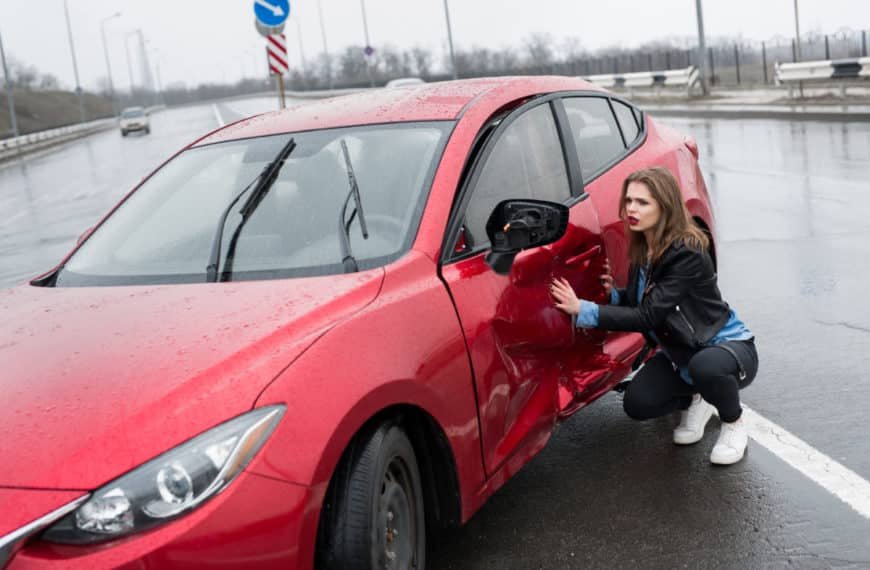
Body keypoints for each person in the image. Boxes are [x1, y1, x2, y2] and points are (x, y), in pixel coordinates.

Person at [550, 166, 758, 465]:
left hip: (725, 348)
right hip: (682, 354)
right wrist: (614, 295)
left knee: (707, 367)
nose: (632, 208)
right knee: (638, 403)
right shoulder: (645, 246)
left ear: (665, 206)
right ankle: (700, 398)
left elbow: (648, 315)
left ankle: (734, 422)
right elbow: (646, 300)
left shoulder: (686, 251)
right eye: (630, 200)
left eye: (643, 202)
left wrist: (584, 309)